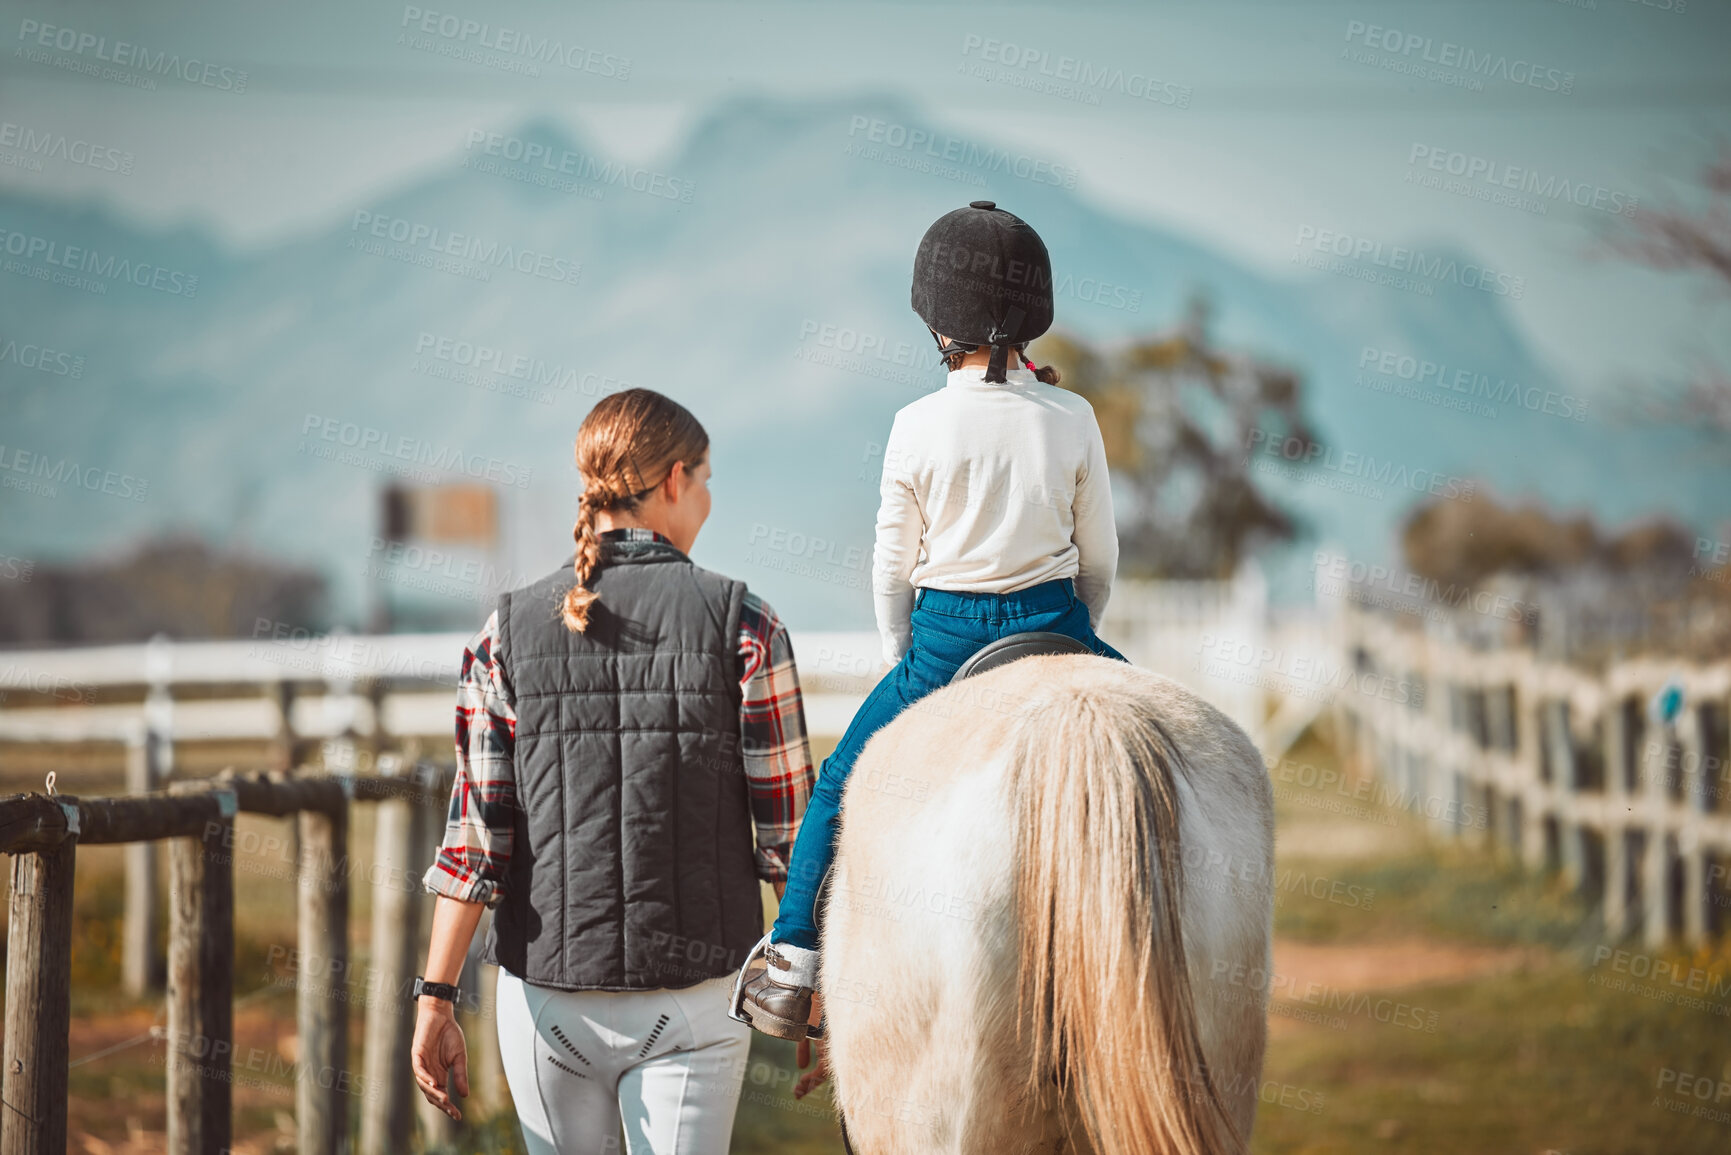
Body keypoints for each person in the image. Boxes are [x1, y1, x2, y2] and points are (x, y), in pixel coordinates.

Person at [735, 200, 1127, 1041]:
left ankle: (794, 960)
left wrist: (902, 654)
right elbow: (1099, 558)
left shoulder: (914, 424)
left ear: (936, 321)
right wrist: (1077, 637)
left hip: (943, 639)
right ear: (1033, 319)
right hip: (1055, 618)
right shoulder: (1075, 417)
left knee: (840, 779)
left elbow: (891, 566)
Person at [410, 388, 819, 1154]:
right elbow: (790, 842)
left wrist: (435, 997)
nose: (707, 498)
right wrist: (812, 992)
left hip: (546, 1001)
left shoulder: (504, 630)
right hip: (696, 997)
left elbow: (474, 846)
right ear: (672, 480)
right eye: (703, 478)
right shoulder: (747, 623)